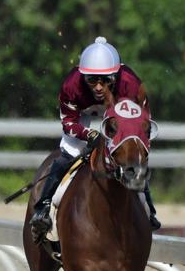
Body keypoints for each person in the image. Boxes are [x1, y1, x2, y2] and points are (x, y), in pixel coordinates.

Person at [30, 36, 160, 239]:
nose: (99, 87)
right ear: (83, 76)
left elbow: (142, 124)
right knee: (68, 154)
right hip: (84, 116)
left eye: (105, 80)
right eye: (92, 80)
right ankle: (43, 207)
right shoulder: (71, 86)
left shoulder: (131, 85)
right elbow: (68, 123)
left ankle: (149, 209)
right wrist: (88, 134)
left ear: (116, 75)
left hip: (120, 118)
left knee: (133, 163)